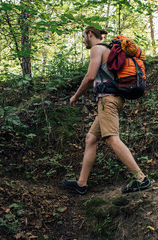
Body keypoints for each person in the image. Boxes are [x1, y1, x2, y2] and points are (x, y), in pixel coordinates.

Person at [62, 26, 150, 195]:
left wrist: (75, 96)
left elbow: (90, 76)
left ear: (89, 34)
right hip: (114, 100)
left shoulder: (97, 49)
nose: (83, 40)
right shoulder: (109, 49)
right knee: (90, 139)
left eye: (83, 36)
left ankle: (141, 179)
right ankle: (81, 184)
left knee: (111, 139)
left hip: (107, 100)